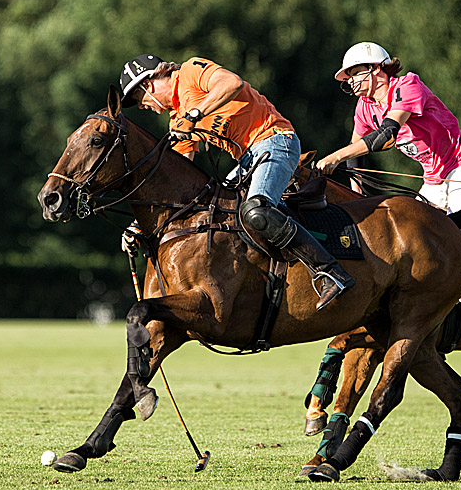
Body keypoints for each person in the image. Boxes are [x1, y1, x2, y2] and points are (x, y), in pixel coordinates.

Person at [315, 42, 461, 323]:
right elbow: (357, 152)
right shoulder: (364, 108)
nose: (350, 81)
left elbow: (385, 136)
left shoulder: (406, 86)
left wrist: (335, 157)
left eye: (354, 73)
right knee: (413, 237)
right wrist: (359, 195)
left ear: (376, 69)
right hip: (434, 178)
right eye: (348, 77)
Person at [117, 53, 353, 311]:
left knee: (257, 210)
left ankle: (330, 272)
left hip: (276, 140)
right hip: (248, 160)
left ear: (149, 84)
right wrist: (138, 225)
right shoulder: (176, 119)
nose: (141, 106)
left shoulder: (190, 71)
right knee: (216, 214)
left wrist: (195, 113)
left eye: (138, 99)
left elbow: (232, 83)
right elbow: (177, 184)